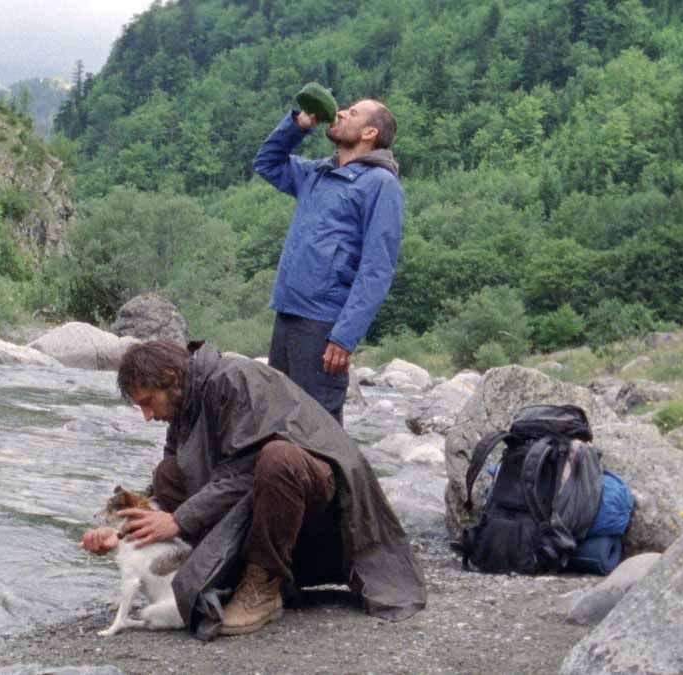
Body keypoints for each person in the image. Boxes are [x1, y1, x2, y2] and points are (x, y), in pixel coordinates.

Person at [81, 341, 425, 637]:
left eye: (147, 401)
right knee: (169, 471)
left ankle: (263, 584)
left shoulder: (235, 378)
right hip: (266, 512)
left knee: (278, 458)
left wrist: (179, 519)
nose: (146, 415)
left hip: (325, 519)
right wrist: (123, 535)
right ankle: (231, 575)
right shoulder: (183, 408)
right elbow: (163, 492)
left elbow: (246, 469)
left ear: (171, 379)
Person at [253, 99, 404, 423]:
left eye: (352, 113)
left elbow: (377, 268)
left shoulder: (381, 184)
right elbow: (266, 162)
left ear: (369, 132)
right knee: (277, 422)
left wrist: (345, 335)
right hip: (288, 312)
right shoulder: (317, 173)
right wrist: (297, 125)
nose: (339, 113)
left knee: (316, 430)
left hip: (323, 323)